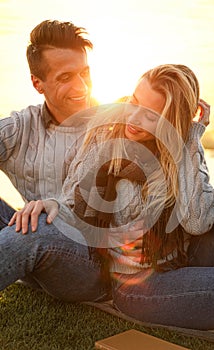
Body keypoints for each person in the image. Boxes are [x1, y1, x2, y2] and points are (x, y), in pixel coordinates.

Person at [23, 63, 214, 331]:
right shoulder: (109, 140)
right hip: (139, 287)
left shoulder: (181, 150)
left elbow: (197, 222)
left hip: (186, 261)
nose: (133, 119)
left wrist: (191, 139)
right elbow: (74, 201)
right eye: (134, 102)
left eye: (150, 116)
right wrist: (51, 205)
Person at [0, 19, 111, 302]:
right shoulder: (21, 127)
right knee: (35, 227)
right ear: (38, 83)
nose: (82, 86)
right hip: (30, 251)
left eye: (85, 73)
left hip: (90, 268)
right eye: (66, 77)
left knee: (39, 227)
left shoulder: (113, 129)